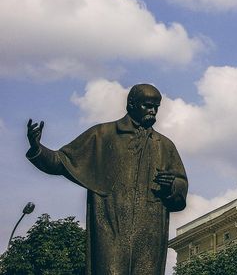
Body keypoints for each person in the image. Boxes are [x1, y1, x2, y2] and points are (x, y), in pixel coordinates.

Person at [26, 84, 188, 275]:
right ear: (131, 104)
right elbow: (61, 161)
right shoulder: (102, 135)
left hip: (149, 232)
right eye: (147, 105)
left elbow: (181, 185)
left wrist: (173, 186)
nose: (153, 111)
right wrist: (37, 148)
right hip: (110, 227)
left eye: (156, 107)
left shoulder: (165, 145)